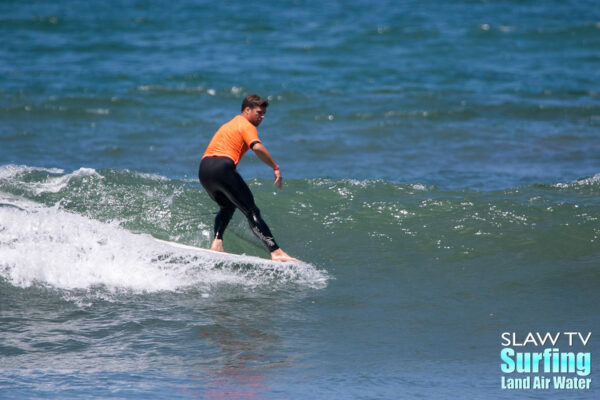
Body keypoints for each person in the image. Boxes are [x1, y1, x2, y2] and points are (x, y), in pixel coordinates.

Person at [199, 94, 297, 262]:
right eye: (259, 112)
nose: (262, 116)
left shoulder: (228, 124)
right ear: (247, 110)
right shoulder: (246, 124)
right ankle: (276, 252)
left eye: (264, 113)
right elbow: (257, 147)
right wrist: (275, 167)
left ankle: (217, 242)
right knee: (251, 210)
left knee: (227, 206)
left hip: (204, 170)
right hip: (222, 167)